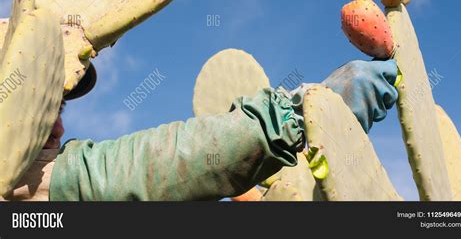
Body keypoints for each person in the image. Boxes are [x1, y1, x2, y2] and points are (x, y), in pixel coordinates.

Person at [7, 59, 399, 201]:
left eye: (58, 106)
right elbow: (148, 166)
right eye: (40, 108)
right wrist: (293, 118)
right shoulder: (28, 184)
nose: (59, 126)